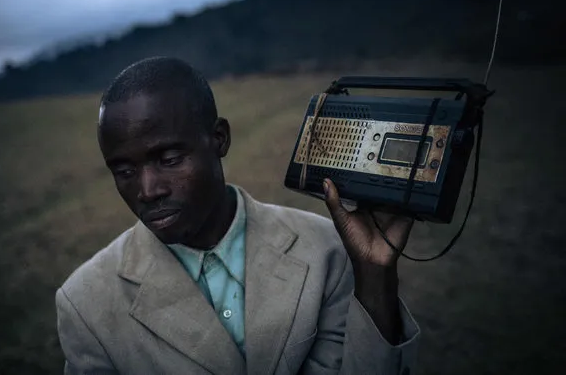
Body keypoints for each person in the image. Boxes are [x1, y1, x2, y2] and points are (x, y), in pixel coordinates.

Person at [55, 56, 420, 375]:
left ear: (219, 139)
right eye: (124, 171)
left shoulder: (326, 250)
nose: (147, 191)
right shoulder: (85, 303)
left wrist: (374, 275)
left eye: (169, 160)